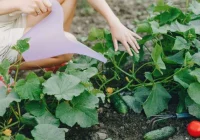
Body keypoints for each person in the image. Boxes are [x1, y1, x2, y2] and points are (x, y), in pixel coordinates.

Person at [0, 0, 141, 70]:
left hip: (13, 18)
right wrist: (17, 4)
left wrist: (114, 22)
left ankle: (56, 63)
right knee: (68, 44)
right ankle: (4, 69)